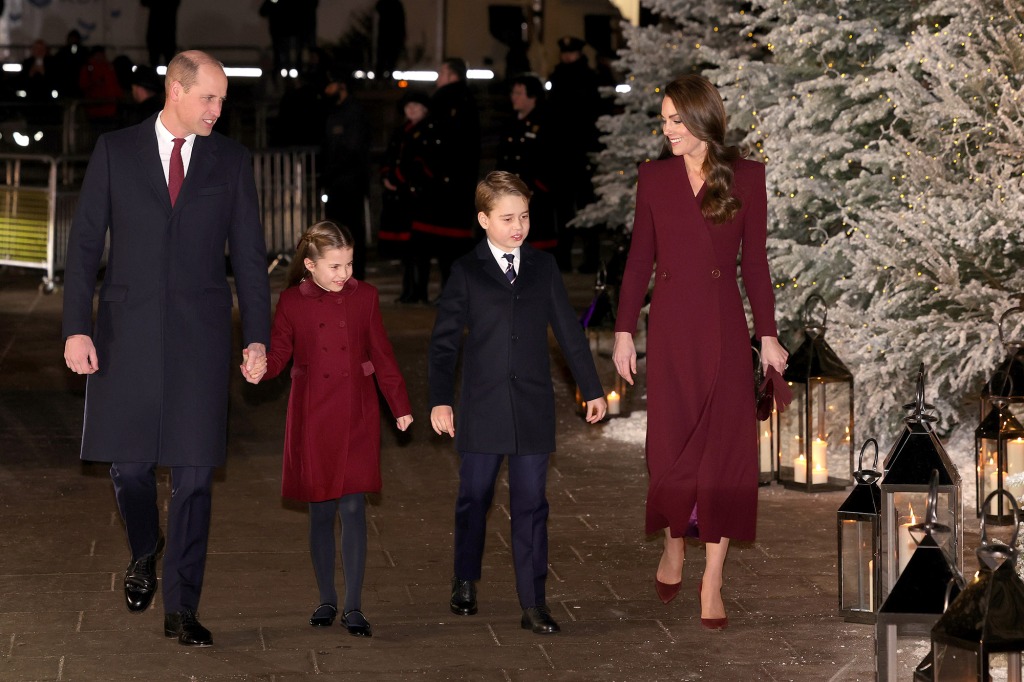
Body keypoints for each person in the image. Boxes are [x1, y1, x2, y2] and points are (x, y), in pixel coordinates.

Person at [62, 50, 271, 647]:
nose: (217, 110)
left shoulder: (230, 160)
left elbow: (250, 257)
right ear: (175, 91)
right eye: (209, 98)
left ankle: (182, 606)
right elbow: (83, 247)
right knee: (128, 469)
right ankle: (145, 546)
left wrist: (256, 334)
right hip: (124, 335)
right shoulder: (115, 151)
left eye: (223, 100)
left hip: (201, 338)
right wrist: (77, 326)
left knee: (196, 476)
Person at [611, 75, 788, 630]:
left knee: (724, 457)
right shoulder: (655, 178)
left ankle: (712, 577)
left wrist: (768, 334)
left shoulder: (747, 177)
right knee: (668, 450)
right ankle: (673, 547)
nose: (667, 131)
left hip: (722, 329)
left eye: (676, 121)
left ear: (703, 120)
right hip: (669, 333)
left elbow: (754, 263)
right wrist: (622, 331)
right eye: (663, 120)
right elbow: (639, 259)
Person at [429, 171, 607, 635]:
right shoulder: (466, 272)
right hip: (482, 408)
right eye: (507, 218)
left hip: (531, 406)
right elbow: (445, 343)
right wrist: (440, 400)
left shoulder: (544, 269)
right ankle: (465, 574)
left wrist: (591, 387)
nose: (518, 227)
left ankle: (534, 601)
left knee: (532, 504)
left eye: (524, 216)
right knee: (475, 497)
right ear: (484, 219)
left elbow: (568, 331)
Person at [255, 221, 413, 637]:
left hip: (357, 412)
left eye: (349, 264)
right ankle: (327, 597)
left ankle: (355, 605)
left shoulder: (366, 298)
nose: (344, 274)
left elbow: (381, 352)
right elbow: (280, 355)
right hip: (313, 417)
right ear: (310, 265)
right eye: (335, 266)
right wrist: (259, 370)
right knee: (321, 510)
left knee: (354, 507)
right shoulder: (291, 302)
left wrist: (399, 404)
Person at [410, 57, 481, 298]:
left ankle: (447, 292)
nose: (438, 78)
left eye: (442, 73)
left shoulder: (447, 101)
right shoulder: (466, 101)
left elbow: (441, 144)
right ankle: (449, 291)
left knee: (444, 242)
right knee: (449, 243)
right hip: (455, 184)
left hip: (442, 185)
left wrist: (430, 172)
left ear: (452, 76)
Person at [546, 36, 602, 273]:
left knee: (585, 207)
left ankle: (590, 258)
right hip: (563, 152)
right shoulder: (557, 77)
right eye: (565, 53)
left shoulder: (588, 78)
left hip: (581, 151)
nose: (567, 57)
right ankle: (564, 257)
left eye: (572, 53)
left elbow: (593, 116)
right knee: (564, 209)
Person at [495, 73, 557, 253]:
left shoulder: (545, 123)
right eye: (513, 92)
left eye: (519, 93)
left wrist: (537, 186)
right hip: (509, 195)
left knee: (536, 246)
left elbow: (551, 160)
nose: (514, 97)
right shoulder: (511, 123)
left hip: (534, 196)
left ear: (533, 97)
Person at [379, 90, 430, 303]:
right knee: (407, 250)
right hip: (399, 195)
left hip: (415, 195)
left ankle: (419, 290)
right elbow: (389, 157)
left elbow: (419, 164)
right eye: (408, 106)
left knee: (419, 248)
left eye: (416, 106)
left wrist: (398, 177)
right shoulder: (400, 132)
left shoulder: (426, 132)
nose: (411, 110)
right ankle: (408, 289)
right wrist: (386, 177)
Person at [321, 72, 371, 281]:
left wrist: (332, 170)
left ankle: (355, 273)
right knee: (336, 231)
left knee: (351, 231)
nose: (326, 91)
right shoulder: (335, 112)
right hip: (336, 181)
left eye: (330, 85)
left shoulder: (354, 112)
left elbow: (351, 149)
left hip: (350, 182)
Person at [141, 0, 180, 67]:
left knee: (156, 61)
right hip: (166, 32)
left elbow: (144, 3)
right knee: (166, 62)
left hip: (158, 32)